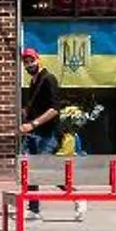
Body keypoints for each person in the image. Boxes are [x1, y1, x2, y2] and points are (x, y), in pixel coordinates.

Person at [18, 47, 81, 222]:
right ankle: (34, 209)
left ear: (39, 59)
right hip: (34, 134)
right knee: (30, 170)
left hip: (48, 134)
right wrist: (26, 114)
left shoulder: (48, 79)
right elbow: (38, 106)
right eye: (26, 62)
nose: (29, 64)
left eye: (31, 60)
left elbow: (54, 109)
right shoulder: (34, 81)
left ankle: (76, 197)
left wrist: (33, 123)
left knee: (41, 170)